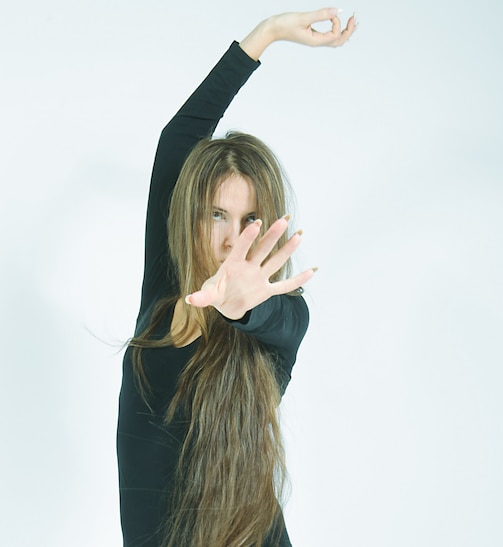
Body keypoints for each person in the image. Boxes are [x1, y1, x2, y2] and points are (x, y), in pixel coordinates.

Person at [116, 8, 357, 547]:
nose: (232, 239)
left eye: (250, 219)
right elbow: (180, 135)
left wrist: (243, 308)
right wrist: (266, 34)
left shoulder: (283, 319)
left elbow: (272, 318)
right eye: (217, 215)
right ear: (194, 218)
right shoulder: (166, 285)